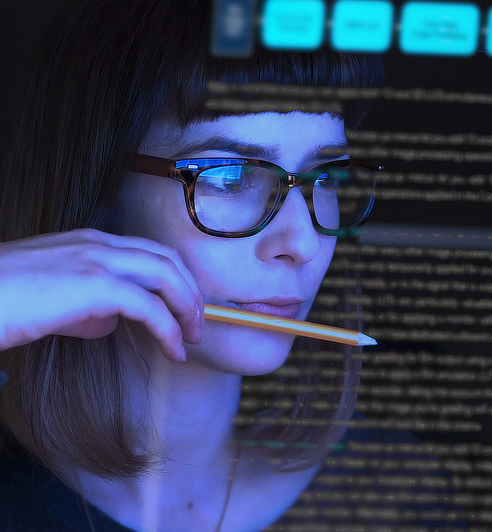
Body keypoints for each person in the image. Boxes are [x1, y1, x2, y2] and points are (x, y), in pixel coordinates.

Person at [0, 1, 383, 530]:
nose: (303, 242)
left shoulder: (394, 490)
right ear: (97, 186)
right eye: (228, 176)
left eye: (326, 179)